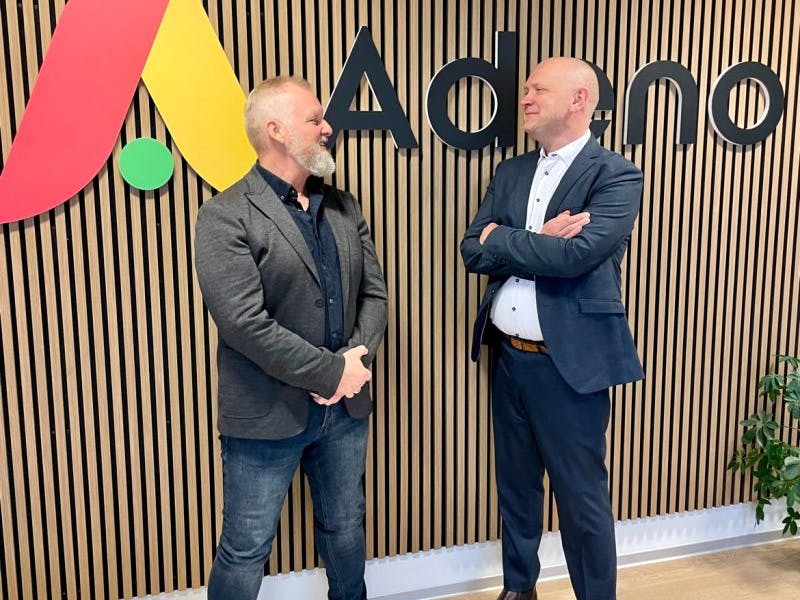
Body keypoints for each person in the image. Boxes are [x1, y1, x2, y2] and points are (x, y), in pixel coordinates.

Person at [194, 76, 387, 600]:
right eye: (314, 119)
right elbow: (244, 324)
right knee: (246, 546)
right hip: (264, 415)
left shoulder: (344, 208)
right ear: (275, 130)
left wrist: (352, 364)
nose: (328, 128)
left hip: (344, 412)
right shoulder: (224, 215)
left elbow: (376, 296)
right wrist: (332, 372)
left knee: (345, 530)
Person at [460, 57, 644, 600]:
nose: (525, 97)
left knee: (580, 498)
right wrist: (541, 236)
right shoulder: (511, 171)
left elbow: (578, 257)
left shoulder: (616, 174)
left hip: (569, 367)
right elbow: (472, 249)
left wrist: (506, 238)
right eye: (526, 88)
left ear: (579, 99)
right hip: (508, 361)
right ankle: (519, 590)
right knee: (515, 489)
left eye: (538, 88)